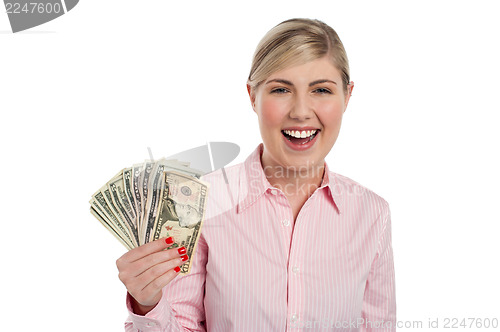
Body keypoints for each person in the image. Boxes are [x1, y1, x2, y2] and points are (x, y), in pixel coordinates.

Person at [116, 18, 396, 331]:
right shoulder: (197, 205)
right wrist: (147, 303)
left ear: (347, 96)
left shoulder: (372, 213)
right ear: (252, 96)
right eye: (280, 89)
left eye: (321, 89)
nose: (301, 111)